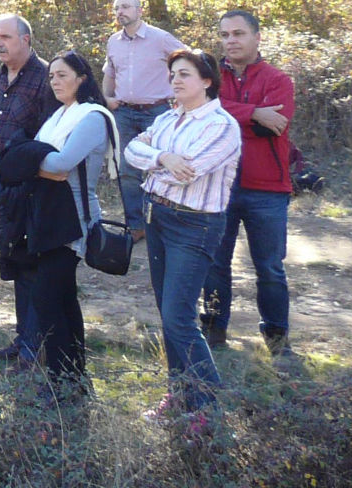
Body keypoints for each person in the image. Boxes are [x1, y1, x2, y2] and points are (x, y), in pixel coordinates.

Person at [124, 49, 242, 431]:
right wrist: (162, 158)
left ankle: (208, 410)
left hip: (195, 225)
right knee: (168, 312)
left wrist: (158, 163)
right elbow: (131, 150)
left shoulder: (222, 125)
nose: (175, 80)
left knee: (178, 316)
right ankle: (180, 396)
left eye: (185, 74)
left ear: (207, 81)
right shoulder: (168, 118)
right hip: (157, 217)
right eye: (173, 74)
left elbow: (187, 172)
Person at [25, 51, 118, 403]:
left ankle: (64, 382)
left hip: (73, 217)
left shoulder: (92, 116)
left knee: (49, 299)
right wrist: (33, 159)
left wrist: (26, 160)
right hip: (49, 213)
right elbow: (42, 158)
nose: (55, 81)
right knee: (62, 300)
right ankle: (73, 382)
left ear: (82, 77)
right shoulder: (59, 115)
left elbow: (62, 163)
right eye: (52, 77)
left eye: (63, 75)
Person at [204, 10, 297, 357]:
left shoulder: (279, 80)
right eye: (225, 35)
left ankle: (277, 337)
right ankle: (213, 330)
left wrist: (230, 115)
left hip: (267, 189)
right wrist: (255, 112)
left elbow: (274, 126)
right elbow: (204, 112)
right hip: (219, 186)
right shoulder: (211, 77)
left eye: (238, 33)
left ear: (257, 37)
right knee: (214, 263)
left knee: (270, 268)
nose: (231, 41)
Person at [0, 14, 59, 367]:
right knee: (12, 257)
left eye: (7, 37)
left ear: (26, 39)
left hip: (31, 186)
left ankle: (36, 345)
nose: (0, 43)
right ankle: (22, 340)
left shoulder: (46, 78)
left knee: (32, 264)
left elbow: (49, 138)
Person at [102, 0, 186, 243]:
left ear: (139, 10)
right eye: (116, 8)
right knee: (126, 169)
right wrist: (106, 98)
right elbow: (110, 73)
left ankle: (163, 226)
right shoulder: (113, 42)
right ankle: (135, 227)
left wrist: (183, 95)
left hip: (157, 112)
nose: (120, 12)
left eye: (125, 7)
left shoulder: (160, 38)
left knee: (161, 169)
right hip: (124, 113)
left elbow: (189, 62)